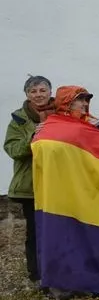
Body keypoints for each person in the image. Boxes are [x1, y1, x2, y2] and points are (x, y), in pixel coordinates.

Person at [4, 76, 55, 285]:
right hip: (30, 185)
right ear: (27, 95)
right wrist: (33, 136)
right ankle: (36, 275)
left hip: (56, 184)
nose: (39, 95)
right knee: (35, 231)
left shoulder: (59, 115)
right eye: (33, 91)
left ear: (50, 92)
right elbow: (13, 149)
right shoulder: (19, 119)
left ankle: (57, 270)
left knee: (56, 230)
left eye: (42, 90)